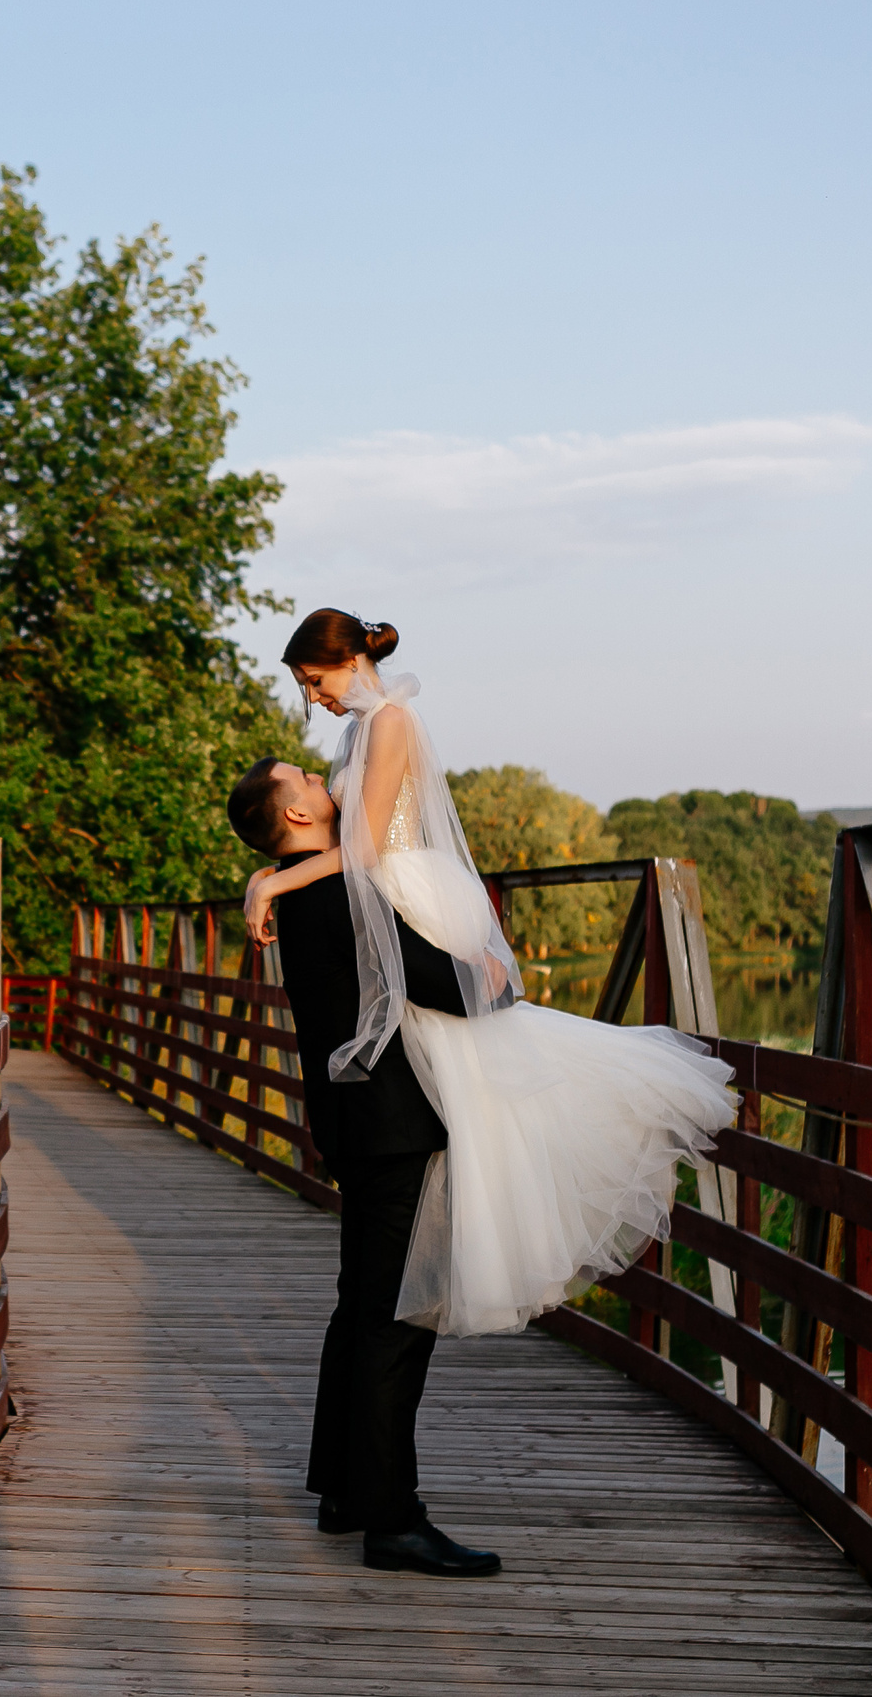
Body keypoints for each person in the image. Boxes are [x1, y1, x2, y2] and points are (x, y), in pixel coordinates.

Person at [242, 608, 735, 1341]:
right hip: (385, 891)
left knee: (480, 1056)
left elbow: (367, 848)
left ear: (347, 661)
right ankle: (444, 1196)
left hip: (404, 884)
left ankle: (478, 1200)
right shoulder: (357, 729)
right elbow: (339, 838)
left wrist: (271, 883)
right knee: (457, 1066)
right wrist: (274, 872)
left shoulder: (389, 722)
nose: (312, 699)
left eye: (313, 681)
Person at [223, 754, 503, 1578]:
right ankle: (394, 1520)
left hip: (356, 1126)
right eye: (306, 781)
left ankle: (344, 1491)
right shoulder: (333, 891)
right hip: (392, 1128)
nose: (324, 780)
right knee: (396, 1319)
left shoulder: (297, 884)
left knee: (359, 1310)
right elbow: (417, 978)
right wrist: (490, 979)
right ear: (299, 817)